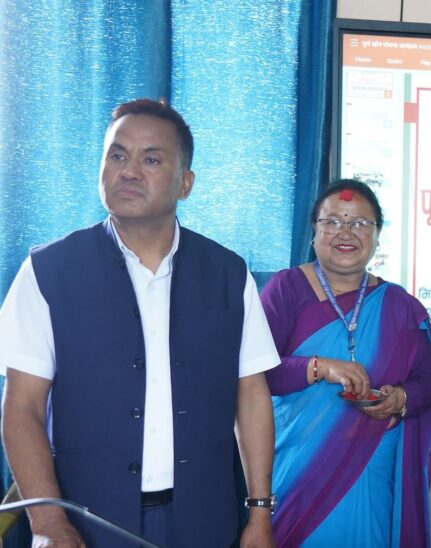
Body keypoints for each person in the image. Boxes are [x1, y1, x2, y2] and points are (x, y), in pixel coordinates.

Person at [0, 99, 279, 547]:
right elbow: (23, 407)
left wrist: (260, 514)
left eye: (151, 159)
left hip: (204, 522)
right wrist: (49, 523)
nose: (128, 171)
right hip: (86, 523)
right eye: (117, 155)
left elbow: (251, 396)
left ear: (185, 183)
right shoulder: (48, 271)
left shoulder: (228, 273)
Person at [260, 179, 431, 547]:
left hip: (372, 468)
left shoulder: (401, 306)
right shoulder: (286, 288)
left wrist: (401, 399)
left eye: (359, 223)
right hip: (298, 465)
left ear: (377, 235)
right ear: (314, 231)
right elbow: (258, 374)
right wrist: (320, 367)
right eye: (332, 222)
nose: (346, 232)